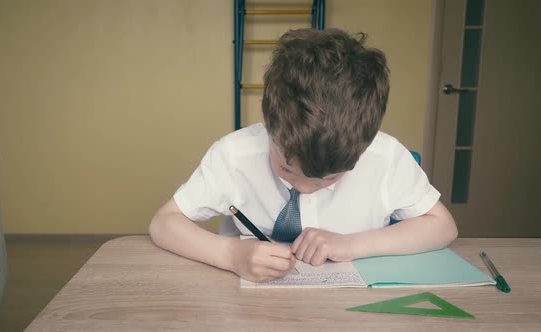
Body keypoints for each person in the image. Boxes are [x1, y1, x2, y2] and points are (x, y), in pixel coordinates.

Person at [150, 28, 457, 283]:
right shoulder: (233, 155)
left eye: (331, 178)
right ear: (267, 119)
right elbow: (164, 223)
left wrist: (351, 245)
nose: (304, 188)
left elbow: (442, 226)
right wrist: (230, 255)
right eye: (287, 168)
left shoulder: (386, 156)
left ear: (366, 142)